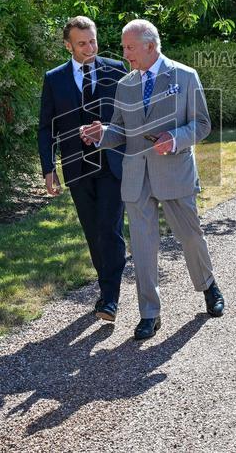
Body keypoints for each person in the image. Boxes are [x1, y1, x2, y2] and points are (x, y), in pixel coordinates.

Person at [80, 19, 225, 341]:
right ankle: (150, 313)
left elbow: (201, 125)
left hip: (175, 172)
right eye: (123, 47)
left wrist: (174, 138)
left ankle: (208, 286)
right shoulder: (126, 84)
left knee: (190, 237)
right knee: (143, 249)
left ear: (150, 45)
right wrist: (101, 135)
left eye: (129, 47)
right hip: (135, 176)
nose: (124, 53)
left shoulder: (185, 77)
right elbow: (120, 130)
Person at [38, 16, 128, 322]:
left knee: (109, 227)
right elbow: (45, 128)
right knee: (93, 230)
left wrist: (107, 129)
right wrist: (48, 168)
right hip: (76, 166)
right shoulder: (54, 79)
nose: (90, 47)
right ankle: (106, 289)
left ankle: (110, 297)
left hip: (111, 162)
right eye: (82, 43)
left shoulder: (117, 70)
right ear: (68, 46)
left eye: (93, 41)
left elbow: (129, 117)